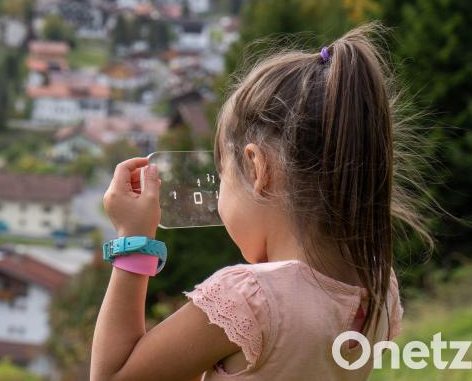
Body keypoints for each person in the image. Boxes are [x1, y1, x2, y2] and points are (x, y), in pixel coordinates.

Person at [90, 23, 434, 380]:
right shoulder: (380, 287)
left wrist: (133, 242)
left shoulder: (249, 300)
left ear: (257, 168)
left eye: (223, 177)